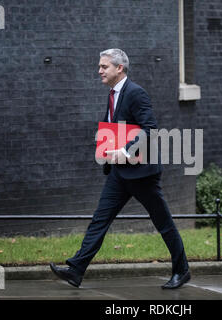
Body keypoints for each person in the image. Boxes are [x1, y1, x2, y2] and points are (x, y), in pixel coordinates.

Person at [50, 48, 190, 289]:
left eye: (104, 66)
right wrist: (105, 148)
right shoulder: (113, 94)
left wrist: (125, 151)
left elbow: (150, 129)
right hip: (119, 172)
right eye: (100, 66)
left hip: (142, 173)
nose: (99, 70)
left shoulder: (136, 93)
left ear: (119, 68)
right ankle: (76, 270)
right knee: (99, 220)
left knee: (163, 223)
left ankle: (182, 270)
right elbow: (115, 127)